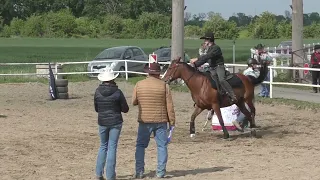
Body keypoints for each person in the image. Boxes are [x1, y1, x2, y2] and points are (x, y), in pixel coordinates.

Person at [131, 62, 175, 179]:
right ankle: (160, 172)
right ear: (158, 73)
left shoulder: (139, 84)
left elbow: (134, 101)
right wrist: (172, 121)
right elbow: (169, 106)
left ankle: (139, 171)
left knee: (140, 145)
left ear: (148, 72)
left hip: (144, 120)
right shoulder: (164, 86)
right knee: (162, 146)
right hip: (161, 120)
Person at [94, 69, 129, 180]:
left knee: (103, 146)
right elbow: (125, 109)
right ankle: (110, 176)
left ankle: (99, 173)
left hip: (102, 121)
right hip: (115, 121)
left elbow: (96, 108)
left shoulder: (97, 91)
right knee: (112, 147)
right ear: (113, 78)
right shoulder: (118, 92)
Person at [190, 32, 237, 103]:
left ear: (209, 40)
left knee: (221, 79)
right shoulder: (210, 49)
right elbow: (205, 57)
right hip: (212, 68)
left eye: (205, 40)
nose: (204, 41)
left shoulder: (216, 48)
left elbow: (207, 56)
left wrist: (196, 61)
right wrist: (196, 63)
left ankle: (232, 95)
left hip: (219, 67)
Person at [232, 58, 260, 130]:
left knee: (251, 108)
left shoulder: (255, 71)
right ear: (252, 65)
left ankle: (250, 124)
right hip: (247, 91)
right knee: (248, 108)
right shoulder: (247, 72)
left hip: (251, 91)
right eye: (255, 64)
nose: (256, 66)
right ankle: (238, 121)